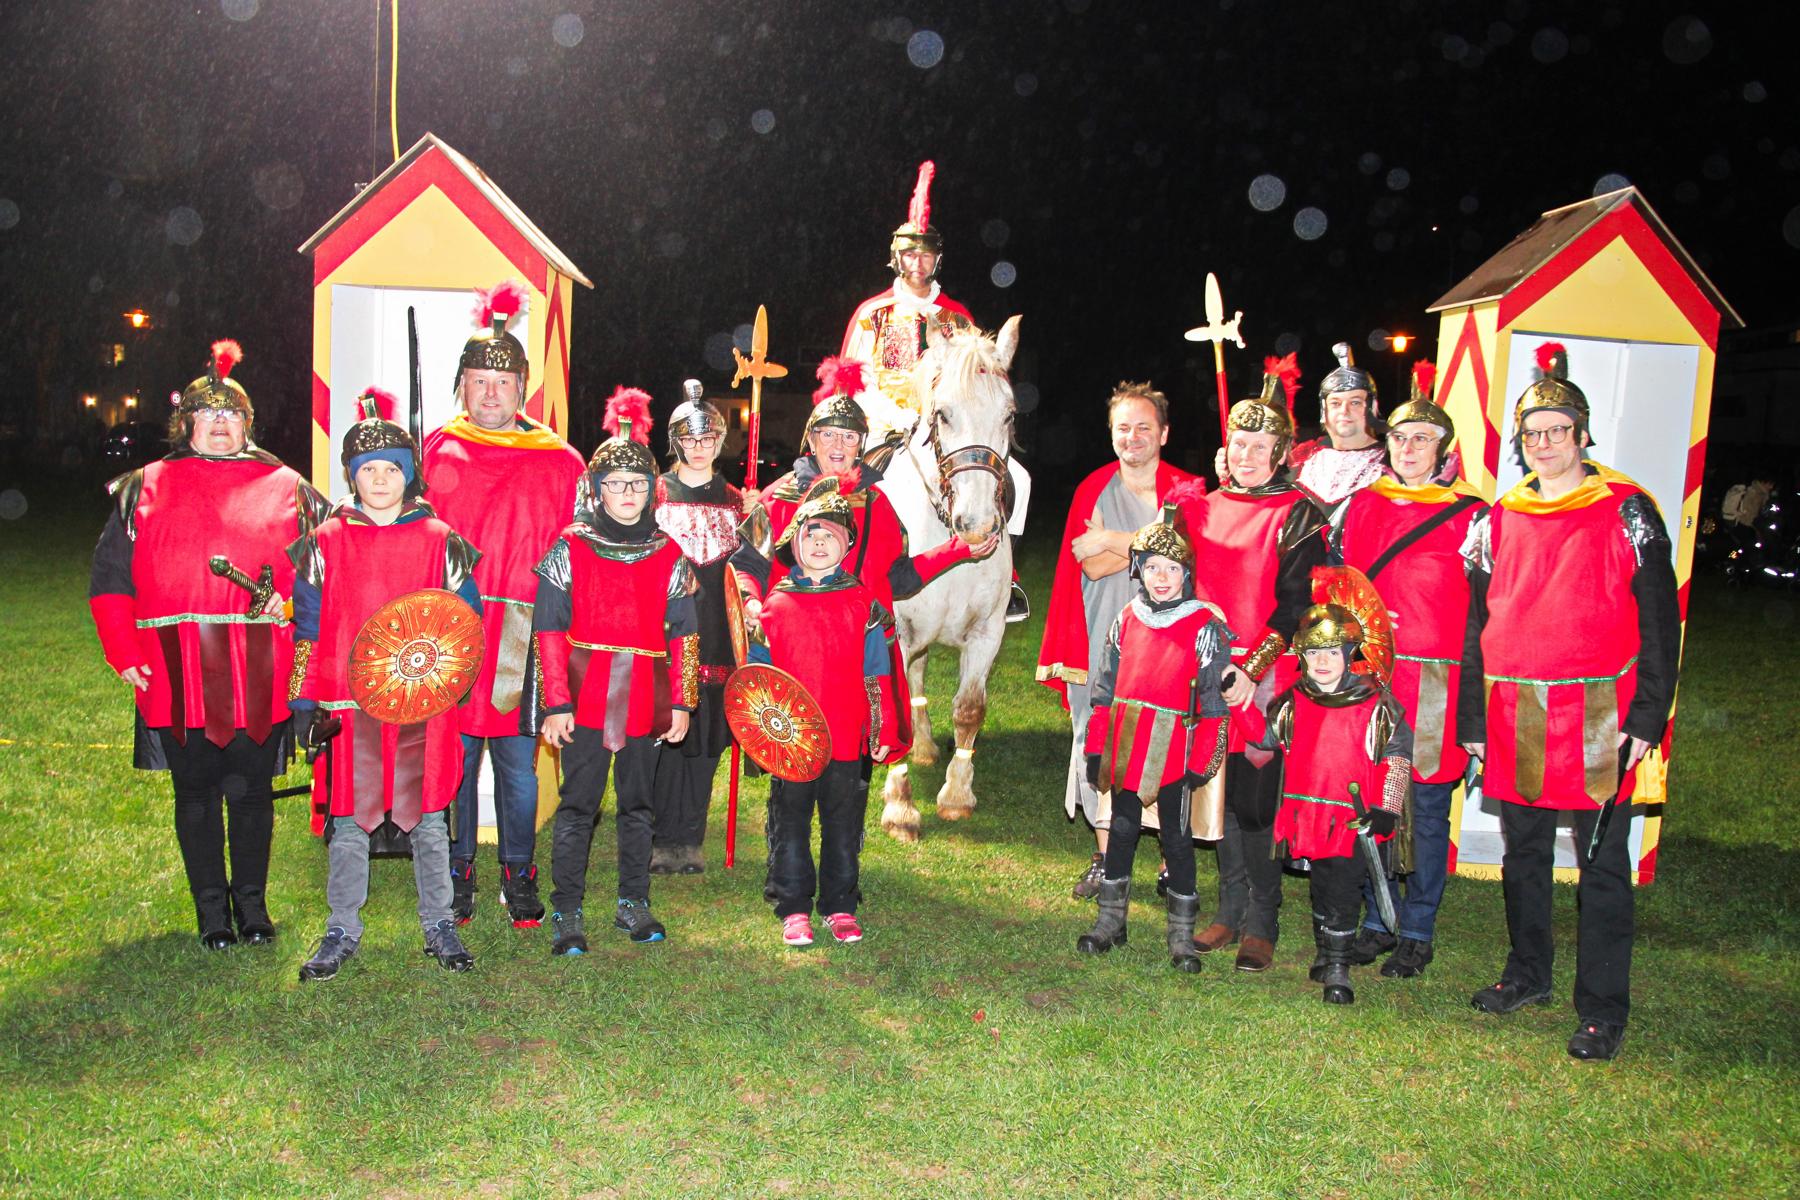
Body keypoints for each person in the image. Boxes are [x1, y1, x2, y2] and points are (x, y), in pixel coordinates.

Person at [1463, 343, 1680, 1062]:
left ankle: (1602, 1009)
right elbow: (1477, 624)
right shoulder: (1500, 516)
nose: (1546, 443)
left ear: (1582, 434)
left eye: (1558, 430)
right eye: (1533, 433)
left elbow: (1660, 623)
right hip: (1517, 711)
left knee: (1601, 864)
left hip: (1599, 716)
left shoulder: (1628, 510)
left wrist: (1646, 718)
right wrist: (1473, 720)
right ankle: (1528, 974)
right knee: (1524, 855)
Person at [88, 339, 329, 949]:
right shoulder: (142, 487)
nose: (220, 423)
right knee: (194, 790)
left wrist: (290, 605)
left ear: (248, 423)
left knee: (251, 792)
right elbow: (110, 579)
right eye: (207, 413)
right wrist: (124, 652)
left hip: (258, 664)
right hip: (177, 665)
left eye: (231, 414)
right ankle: (211, 911)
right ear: (185, 423)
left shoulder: (289, 487)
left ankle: (252, 906)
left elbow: (325, 573)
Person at [734, 358, 992, 837]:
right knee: (791, 787)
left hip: (857, 664)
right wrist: (750, 602)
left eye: (849, 437)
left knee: (848, 787)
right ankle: (787, 870)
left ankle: (841, 869)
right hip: (795, 661)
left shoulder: (879, 505)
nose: (838, 445)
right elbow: (746, 563)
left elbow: (899, 578)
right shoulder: (779, 498)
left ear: (861, 444)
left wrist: (958, 549)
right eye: (828, 435)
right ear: (811, 440)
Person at [290, 390, 484, 982]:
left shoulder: (440, 539)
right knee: (350, 821)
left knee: (428, 818)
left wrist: (454, 685)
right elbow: (307, 627)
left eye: (391, 469)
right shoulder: (325, 541)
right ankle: (341, 927)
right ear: (352, 476)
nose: (380, 480)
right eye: (368, 469)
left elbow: (466, 623)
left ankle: (439, 922)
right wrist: (303, 697)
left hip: (422, 704)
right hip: (350, 707)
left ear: (408, 475)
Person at [421, 280, 587, 930]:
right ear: (462, 386)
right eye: (479, 381)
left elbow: (579, 551)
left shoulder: (560, 462)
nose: (491, 394)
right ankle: (458, 871)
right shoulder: (436, 450)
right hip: (455, 629)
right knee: (458, 760)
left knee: (518, 766)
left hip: (524, 631)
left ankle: (519, 873)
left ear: (522, 389)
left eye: (503, 382)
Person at [1327, 362, 1487, 978]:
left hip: (1438, 682)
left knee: (1426, 805)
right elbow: (1334, 587)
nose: (1409, 448)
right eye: (1399, 437)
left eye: (1422, 438)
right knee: (1374, 799)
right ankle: (1377, 919)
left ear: (1443, 447)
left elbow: (1485, 610)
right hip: (1374, 677)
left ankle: (1417, 930)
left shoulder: (1472, 515)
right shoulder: (1362, 506)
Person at [527, 390, 699, 955]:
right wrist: (556, 703)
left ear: (652, 490)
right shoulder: (570, 547)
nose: (627, 494)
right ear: (596, 490)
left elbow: (684, 633)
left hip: (645, 698)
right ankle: (567, 909)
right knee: (578, 806)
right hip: (585, 696)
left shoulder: (669, 553)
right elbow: (549, 629)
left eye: (637, 484)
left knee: (638, 806)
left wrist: (682, 701)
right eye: (616, 484)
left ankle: (633, 902)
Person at [1176, 355, 1329, 972]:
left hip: (1266, 679)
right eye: (1238, 443)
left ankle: (1263, 918)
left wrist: (1252, 670)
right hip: (1206, 670)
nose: (1246, 455)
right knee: (1215, 795)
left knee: (1256, 802)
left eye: (1259, 446)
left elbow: (1296, 607)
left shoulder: (1301, 514)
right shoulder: (1204, 506)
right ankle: (1229, 909)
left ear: (1281, 452)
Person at [841, 161, 1032, 623]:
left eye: (926, 256)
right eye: (910, 255)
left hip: (946, 427)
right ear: (897, 258)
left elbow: (978, 379)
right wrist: (891, 415)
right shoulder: (872, 313)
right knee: (858, 489)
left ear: (936, 260)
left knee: (1019, 479)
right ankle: (856, 578)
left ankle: (1004, 581)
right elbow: (852, 378)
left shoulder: (957, 315)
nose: (918, 263)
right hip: (884, 425)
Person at [1037, 382, 1201, 898]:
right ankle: (1107, 859)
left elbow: (1190, 556)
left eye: (1143, 427)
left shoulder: (1186, 490)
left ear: (1164, 433)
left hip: (1170, 638)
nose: (1133, 437)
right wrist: (1154, 548)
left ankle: (1171, 858)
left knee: (1168, 738)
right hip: (1105, 633)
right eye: (1123, 428)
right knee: (1101, 736)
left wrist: (1112, 540)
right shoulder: (1094, 488)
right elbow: (1089, 563)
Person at [1075, 500, 1231, 972]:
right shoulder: (1128, 618)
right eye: (1152, 567)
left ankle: (1181, 937)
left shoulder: (1205, 625)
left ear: (1187, 572)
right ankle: (1111, 922)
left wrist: (1202, 760)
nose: (1162, 577)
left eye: (1172, 568)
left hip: (1174, 749)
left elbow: (1213, 702)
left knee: (1176, 838)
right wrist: (1097, 748)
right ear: (1138, 570)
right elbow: (1104, 692)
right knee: (1122, 829)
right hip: (1127, 742)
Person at [1231, 600, 1413, 1004]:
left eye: (1332, 652)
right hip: (1308, 816)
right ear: (1302, 657)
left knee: (1344, 889)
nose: (1323, 661)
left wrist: (1387, 808)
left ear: (1349, 653)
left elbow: (1398, 757)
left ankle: (1338, 967)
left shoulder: (1377, 703)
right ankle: (1324, 951)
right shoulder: (1293, 701)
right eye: (1313, 653)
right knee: (1321, 886)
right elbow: (1263, 737)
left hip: (1351, 821)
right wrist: (1236, 704)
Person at [748, 478, 902, 946]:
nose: (819, 543)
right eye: (810, 534)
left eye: (830, 536)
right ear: (794, 544)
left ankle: (839, 904)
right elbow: (758, 681)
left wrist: (880, 730)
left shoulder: (862, 604)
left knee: (842, 826)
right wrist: (760, 737)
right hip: (791, 740)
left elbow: (877, 674)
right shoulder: (775, 607)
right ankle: (794, 905)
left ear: (846, 546)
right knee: (790, 824)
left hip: (844, 737)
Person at [649, 383, 742, 875]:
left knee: (707, 738)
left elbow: (750, 568)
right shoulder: (655, 494)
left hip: (718, 633)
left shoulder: (736, 501)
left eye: (708, 438)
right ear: (676, 441)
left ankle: (691, 836)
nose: (700, 446)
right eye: (690, 438)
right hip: (667, 631)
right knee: (668, 733)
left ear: (719, 440)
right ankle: (662, 837)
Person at [1288, 343, 1387, 505]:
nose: (1344, 411)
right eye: (1335, 403)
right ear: (1324, 410)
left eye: (1355, 402)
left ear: (1371, 408)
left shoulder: (1394, 461)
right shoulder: (1301, 459)